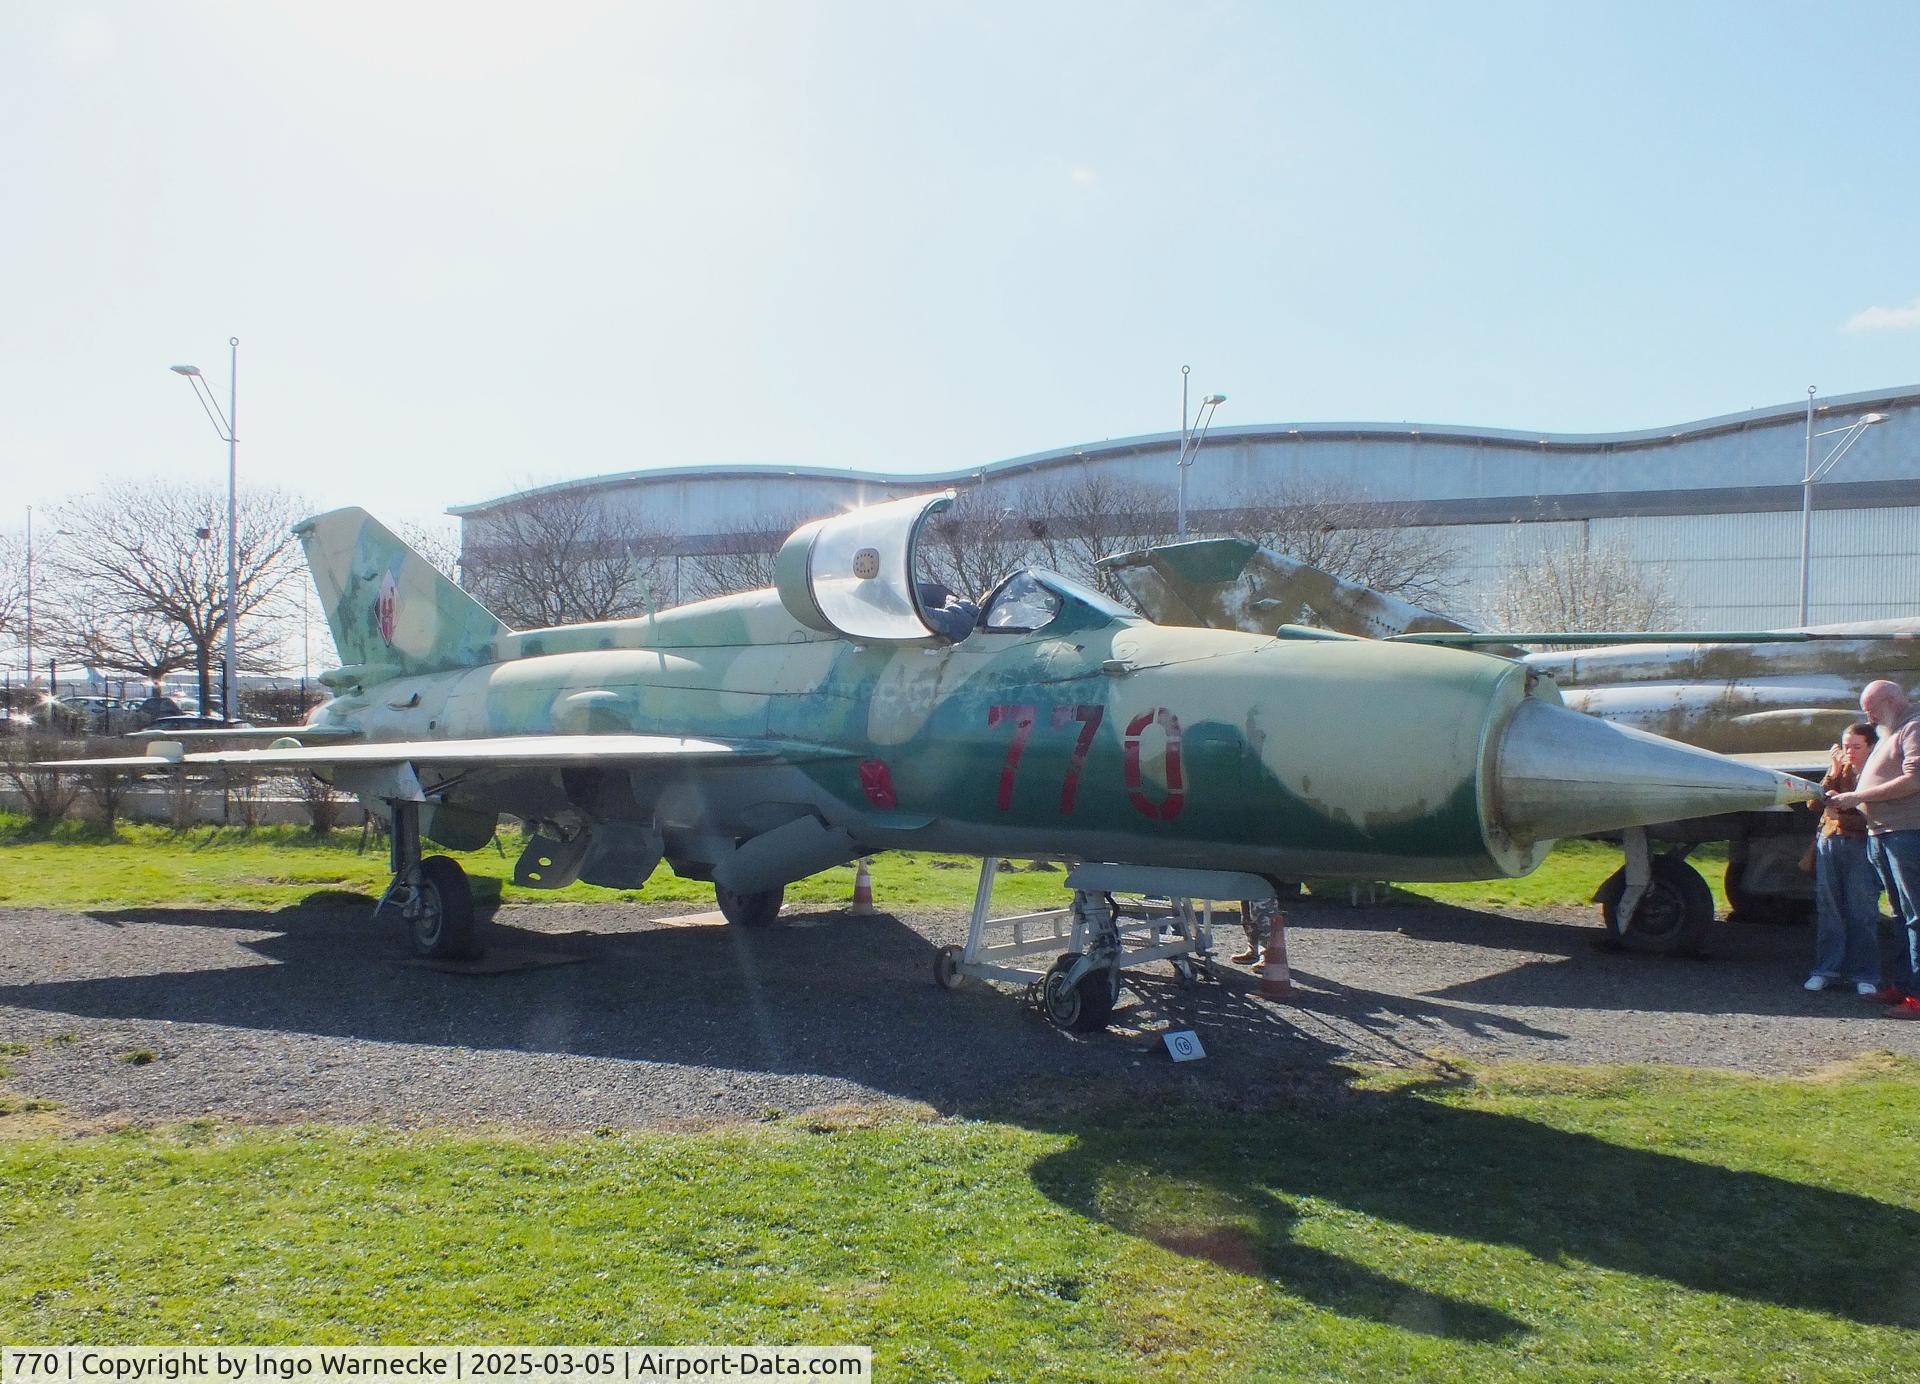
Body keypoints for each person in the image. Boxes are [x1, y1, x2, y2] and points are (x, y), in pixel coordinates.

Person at [1827, 680, 1920, 1018]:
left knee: (1915, 915)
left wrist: (1858, 797)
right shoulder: (1891, 730)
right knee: (1900, 915)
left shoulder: (1914, 726)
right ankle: (1903, 985)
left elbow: (1915, 779)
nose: (1868, 716)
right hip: (1883, 832)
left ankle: (1917, 996)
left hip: (1907, 833)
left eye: (1872, 709)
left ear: (1893, 700)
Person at [1805, 722, 1882, 995]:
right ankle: (1826, 969)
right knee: (1829, 909)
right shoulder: (1841, 769)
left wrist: (1842, 816)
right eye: (1846, 746)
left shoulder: (1877, 772)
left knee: (1863, 911)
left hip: (1860, 845)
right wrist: (1833, 773)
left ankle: (1865, 974)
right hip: (1829, 842)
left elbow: (1874, 816)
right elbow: (1814, 803)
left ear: (1871, 747)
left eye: (1856, 747)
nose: (1849, 752)